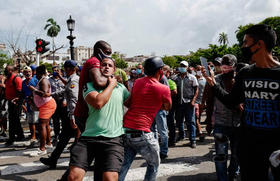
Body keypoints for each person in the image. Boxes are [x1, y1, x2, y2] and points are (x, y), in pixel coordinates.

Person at [202, 24, 280, 181]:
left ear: (260, 44)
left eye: (245, 42)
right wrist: (213, 84)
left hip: (275, 149)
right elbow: (231, 101)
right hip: (249, 145)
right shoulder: (246, 73)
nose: (243, 47)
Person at [58, 40, 112, 181]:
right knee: (93, 150)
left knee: (93, 150)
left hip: (87, 114)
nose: (108, 57)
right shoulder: (94, 62)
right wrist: (112, 81)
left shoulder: (94, 62)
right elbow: (99, 82)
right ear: (99, 50)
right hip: (86, 114)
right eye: (107, 53)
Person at [68, 57, 129, 181]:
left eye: (110, 65)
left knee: (110, 178)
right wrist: (112, 85)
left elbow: (133, 105)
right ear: (98, 68)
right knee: (74, 176)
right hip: (89, 138)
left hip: (113, 140)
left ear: (114, 70)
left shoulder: (121, 88)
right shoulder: (88, 86)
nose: (106, 67)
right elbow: (98, 102)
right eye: (103, 64)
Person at [119, 57, 172, 181]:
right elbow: (167, 107)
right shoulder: (163, 88)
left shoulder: (138, 82)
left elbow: (131, 102)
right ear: (160, 71)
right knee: (154, 164)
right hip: (142, 133)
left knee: (124, 166)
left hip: (126, 130)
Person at [40, 60, 79, 169]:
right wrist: (50, 94)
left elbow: (74, 100)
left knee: (81, 139)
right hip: (72, 114)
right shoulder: (71, 80)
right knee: (65, 137)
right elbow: (64, 92)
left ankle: (80, 163)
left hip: (74, 114)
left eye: (65, 68)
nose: (64, 71)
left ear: (69, 69)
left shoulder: (74, 81)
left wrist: (72, 116)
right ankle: (53, 159)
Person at [208, 54, 240, 181]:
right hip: (220, 123)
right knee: (221, 155)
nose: (225, 68)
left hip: (239, 124)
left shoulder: (241, 80)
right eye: (223, 65)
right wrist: (209, 122)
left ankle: (232, 175)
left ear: (235, 66)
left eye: (228, 66)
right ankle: (222, 179)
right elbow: (210, 101)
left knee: (236, 155)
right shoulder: (214, 80)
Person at [29, 65, 57, 156]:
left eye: (36, 73)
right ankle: (48, 144)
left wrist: (33, 89)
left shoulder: (44, 80)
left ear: (40, 73)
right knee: (46, 125)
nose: (35, 75)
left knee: (42, 126)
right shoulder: (42, 80)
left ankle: (42, 148)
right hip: (45, 105)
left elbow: (45, 94)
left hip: (47, 105)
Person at [173, 61, 198, 148]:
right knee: (179, 121)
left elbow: (196, 89)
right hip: (179, 103)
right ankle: (181, 135)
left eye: (184, 66)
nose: (182, 67)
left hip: (189, 103)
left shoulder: (192, 78)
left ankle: (192, 139)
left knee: (191, 122)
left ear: (187, 67)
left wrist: (193, 100)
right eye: (180, 66)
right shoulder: (175, 78)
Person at [151, 64, 170, 159]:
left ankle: (164, 151)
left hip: (159, 110)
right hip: (151, 109)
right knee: (152, 131)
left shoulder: (163, 78)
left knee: (162, 131)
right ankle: (155, 150)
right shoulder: (150, 77)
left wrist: (163, 107)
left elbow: (167, 94)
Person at [4, 65, 24, 145]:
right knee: (15, 120)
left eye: (6, 70)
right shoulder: (8, 79)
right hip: (10, 101)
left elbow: (20, 92)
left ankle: (11, 138)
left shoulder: (16, 78)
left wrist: (18, 102)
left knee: (12, 120)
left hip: (16, 102)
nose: (5, 71)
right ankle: (20, 135)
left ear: (10, 71)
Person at [20, 66, 39, 144]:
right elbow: (23, 94)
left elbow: (39, 91)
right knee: (30, 122)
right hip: (29, 104)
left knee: (37, 121)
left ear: (31, 72)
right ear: (23, 74)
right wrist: (22, 103)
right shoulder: (23, 82)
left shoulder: (35, 80)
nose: (27, 73)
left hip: (37, 104)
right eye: (26, 72)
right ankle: (33, 137)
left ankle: (39, 136)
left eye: (29, 72)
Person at [49, 66, 67, 144]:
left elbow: (66, 90)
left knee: (63, 119)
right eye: (54, 70)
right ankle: (56, 135)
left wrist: (65, 100)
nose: (55, 72)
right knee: (55, 120)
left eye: (57, 70)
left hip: (62, 101)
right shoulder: (49, 80)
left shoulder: (64, 79)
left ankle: (64, 135)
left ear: (60, 72)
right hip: (54, 101)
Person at [194, 65, 206, 141]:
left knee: (199, 117)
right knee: (196, 117)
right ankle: (200, 132)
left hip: (202, 102)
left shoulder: (205, 80)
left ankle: (198, 129)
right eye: (197, 69)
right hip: (195, 101)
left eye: (200, 69)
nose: (199, 71)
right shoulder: (192, 78)